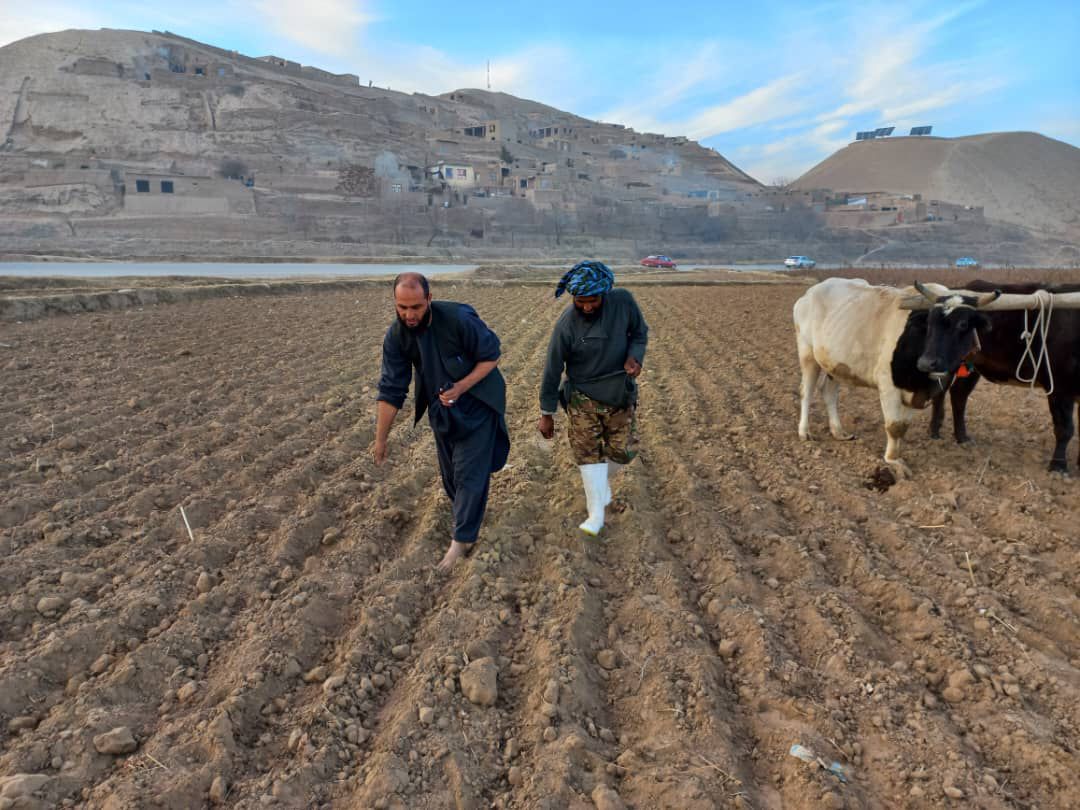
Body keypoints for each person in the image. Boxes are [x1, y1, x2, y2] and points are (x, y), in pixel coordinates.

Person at [374, 273, 510, 570]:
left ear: (430, 299)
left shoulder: (459, 319)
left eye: (417, 307)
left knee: (467, 473)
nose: (409, 315)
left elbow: (491, 356)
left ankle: (461, 541)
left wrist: (462, 386)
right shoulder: (396, 337)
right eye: (402, 307)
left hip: (478, 404)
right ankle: (468, 515)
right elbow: (391, 389)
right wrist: (381, 439)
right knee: (451, 476)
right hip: (443, 408)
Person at [537, 260, 648, 536]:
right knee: (588, 456)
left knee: (623, 452)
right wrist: (546, 413)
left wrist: (635, 357)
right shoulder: (567, 325)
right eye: (580, 301)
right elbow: (552, 369)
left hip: (619, 392)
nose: (587, 307)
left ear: (604, 294)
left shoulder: (623, 303)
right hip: (581, 398)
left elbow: (640, 333)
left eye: (593, 301)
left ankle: (600, 488)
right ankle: (595, 513)